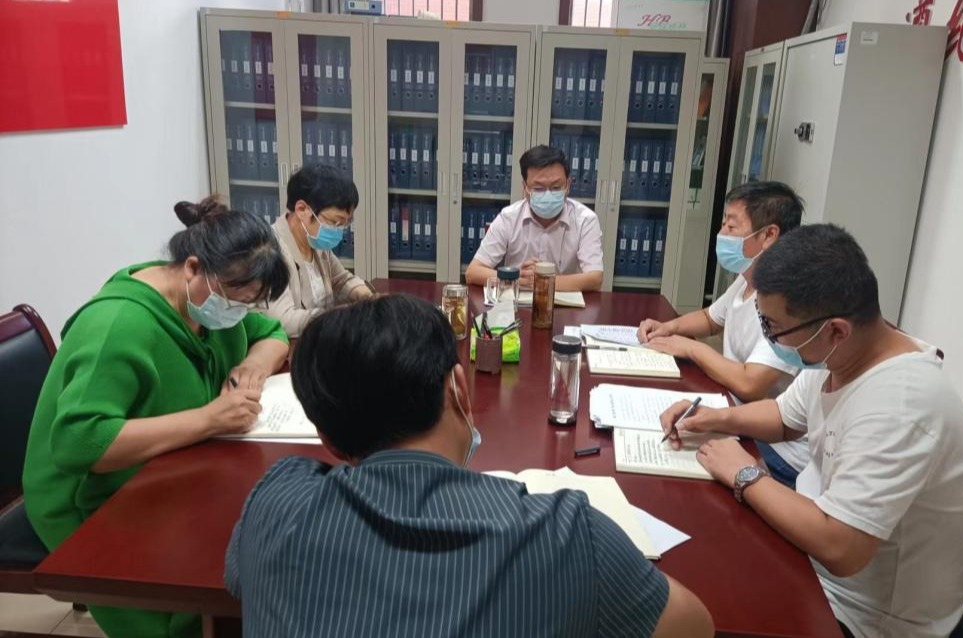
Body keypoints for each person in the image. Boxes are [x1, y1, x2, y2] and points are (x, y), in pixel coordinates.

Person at [226, 294, 713, 638]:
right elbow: (693, 627)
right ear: (459, 388)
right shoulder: (568, 536)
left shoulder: (276, 503)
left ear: (327, 439)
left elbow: (239, 580)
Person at [660, 224, 963, 638]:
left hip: (861, 617)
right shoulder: (840, 354)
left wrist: (745, 473)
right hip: (810, 560)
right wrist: (714, 417)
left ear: (835, 329)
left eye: (774, 328)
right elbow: (783, 417)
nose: (770, 338)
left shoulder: (901, 405)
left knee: (680, 611)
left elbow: (839, 546)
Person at [23, 197, 291, 638]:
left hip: (171, 464)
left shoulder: (210, 302)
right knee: (187, 597)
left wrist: (253, 366)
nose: (238, 312)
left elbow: (273, 334)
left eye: (249, 304)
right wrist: (209, 419)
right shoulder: (119, 325)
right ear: (192, 268)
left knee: (251, 547)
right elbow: (79, 443)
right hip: (90, 498)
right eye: (234, 299)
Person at [637, 181, 807, 486]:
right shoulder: (746, 279)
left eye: (731, 225)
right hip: (735, 413)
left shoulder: (786, 300)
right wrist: (669, 327)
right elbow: (710, 318)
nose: (722, 234)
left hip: (777, 449)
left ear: (769, 235)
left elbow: (750, 384)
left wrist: (692, 348)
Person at [465, 145, 604, 292]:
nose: (548, 194)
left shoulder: (585, 220)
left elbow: (595, 279)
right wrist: (516, 277)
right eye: (538, 188)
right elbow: (473, 272)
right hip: (517, 301)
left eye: (556, 187)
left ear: (568, 185)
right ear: (525, 188)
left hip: (564, 303)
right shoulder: (508, 218)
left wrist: (543, 281)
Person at [267, 163, 373, 338]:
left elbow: (342, 280)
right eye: (335, 222)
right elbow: (283, 320)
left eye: (344, 223)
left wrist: (368, 297)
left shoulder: (315, 242)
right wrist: (337, 317)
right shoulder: (270, 251)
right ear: (302, 210)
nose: (339, 230)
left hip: (320, 338)